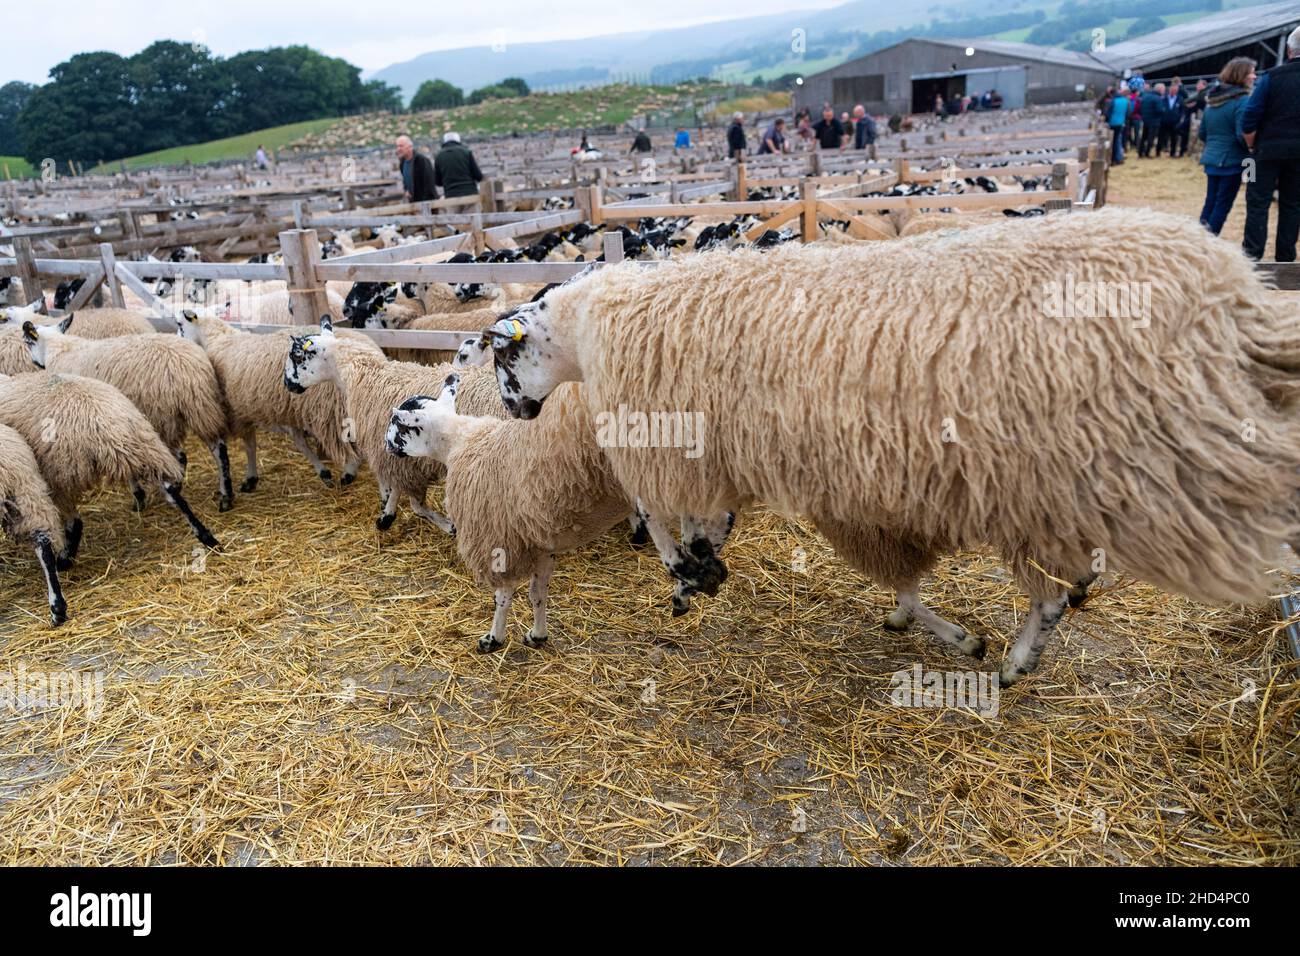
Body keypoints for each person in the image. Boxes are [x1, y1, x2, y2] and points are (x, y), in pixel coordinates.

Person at [1242, 26, 1300, 261]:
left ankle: (1252, 257)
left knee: (1257, 202)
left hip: (1265, 151)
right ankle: (1285, 258)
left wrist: (1251, 145)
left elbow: (1249, 117)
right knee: (1293, 204)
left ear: (1288, 50)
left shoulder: (1271, 77)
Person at [1198, 58, 1255, 236]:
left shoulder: (1213, 101)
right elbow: (1242, 135)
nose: (1254, 76)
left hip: (1213, 159)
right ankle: (1208, 243)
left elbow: (1202, 133)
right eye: (1251, 72)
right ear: (1242, 76)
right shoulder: (1242, 101)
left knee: (1210, 203)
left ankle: (1198, 240)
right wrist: (1252, 149)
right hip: (1232, 161)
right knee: (1222, 206)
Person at [432, 131, 483, 199]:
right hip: (470, 193)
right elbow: (478, 176)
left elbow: (438, 182)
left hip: (450, 195)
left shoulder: (439, 156)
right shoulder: (466, 152)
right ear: (458, 140)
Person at [396, 135, 437, 202]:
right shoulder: (402, 163)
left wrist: (425, 204)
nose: (398, 149)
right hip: (413, 202)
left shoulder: (421, 160)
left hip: (427, 203)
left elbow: (429, 183)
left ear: (410, 147)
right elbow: (405, 181)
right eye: (397, 146)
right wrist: (406, 190)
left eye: (401, 146)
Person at [1155, 81, 1184, 156]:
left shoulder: (1180, 99)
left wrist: (1179, 117)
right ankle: (1158, 152)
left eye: (1175, 90)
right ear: (1169, 89)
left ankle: (1173, 153)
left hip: (1174, 122)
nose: (1174, 91)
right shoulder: (1163, 98)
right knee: (1161, 137)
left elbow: (1182, 110)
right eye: (1172, 90)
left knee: (1174, 138)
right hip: (1163, 121)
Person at [1139, 83, 1166, 157]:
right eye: (1163, 90)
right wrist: (1164, 110)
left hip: (1145, 119)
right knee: (1151, 137)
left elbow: (1141, 108)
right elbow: (1159, 110)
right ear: (1160, 90)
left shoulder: (1145, 96)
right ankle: (1147, 152)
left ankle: (1140, 152)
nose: (1164, 91)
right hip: (1154, 120)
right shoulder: (1157, 98)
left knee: (1144, 137)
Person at [1107, 83, 1131, 164]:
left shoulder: (1114, 101)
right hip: (1121, 123)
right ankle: (1119, 158)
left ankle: (1113, 159)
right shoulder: (1125, 101)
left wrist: (1107, 121)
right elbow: (1128, 113)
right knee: (1119, 140)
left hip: (1112, 123)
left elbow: (1109, 113)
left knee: (1113, 142)